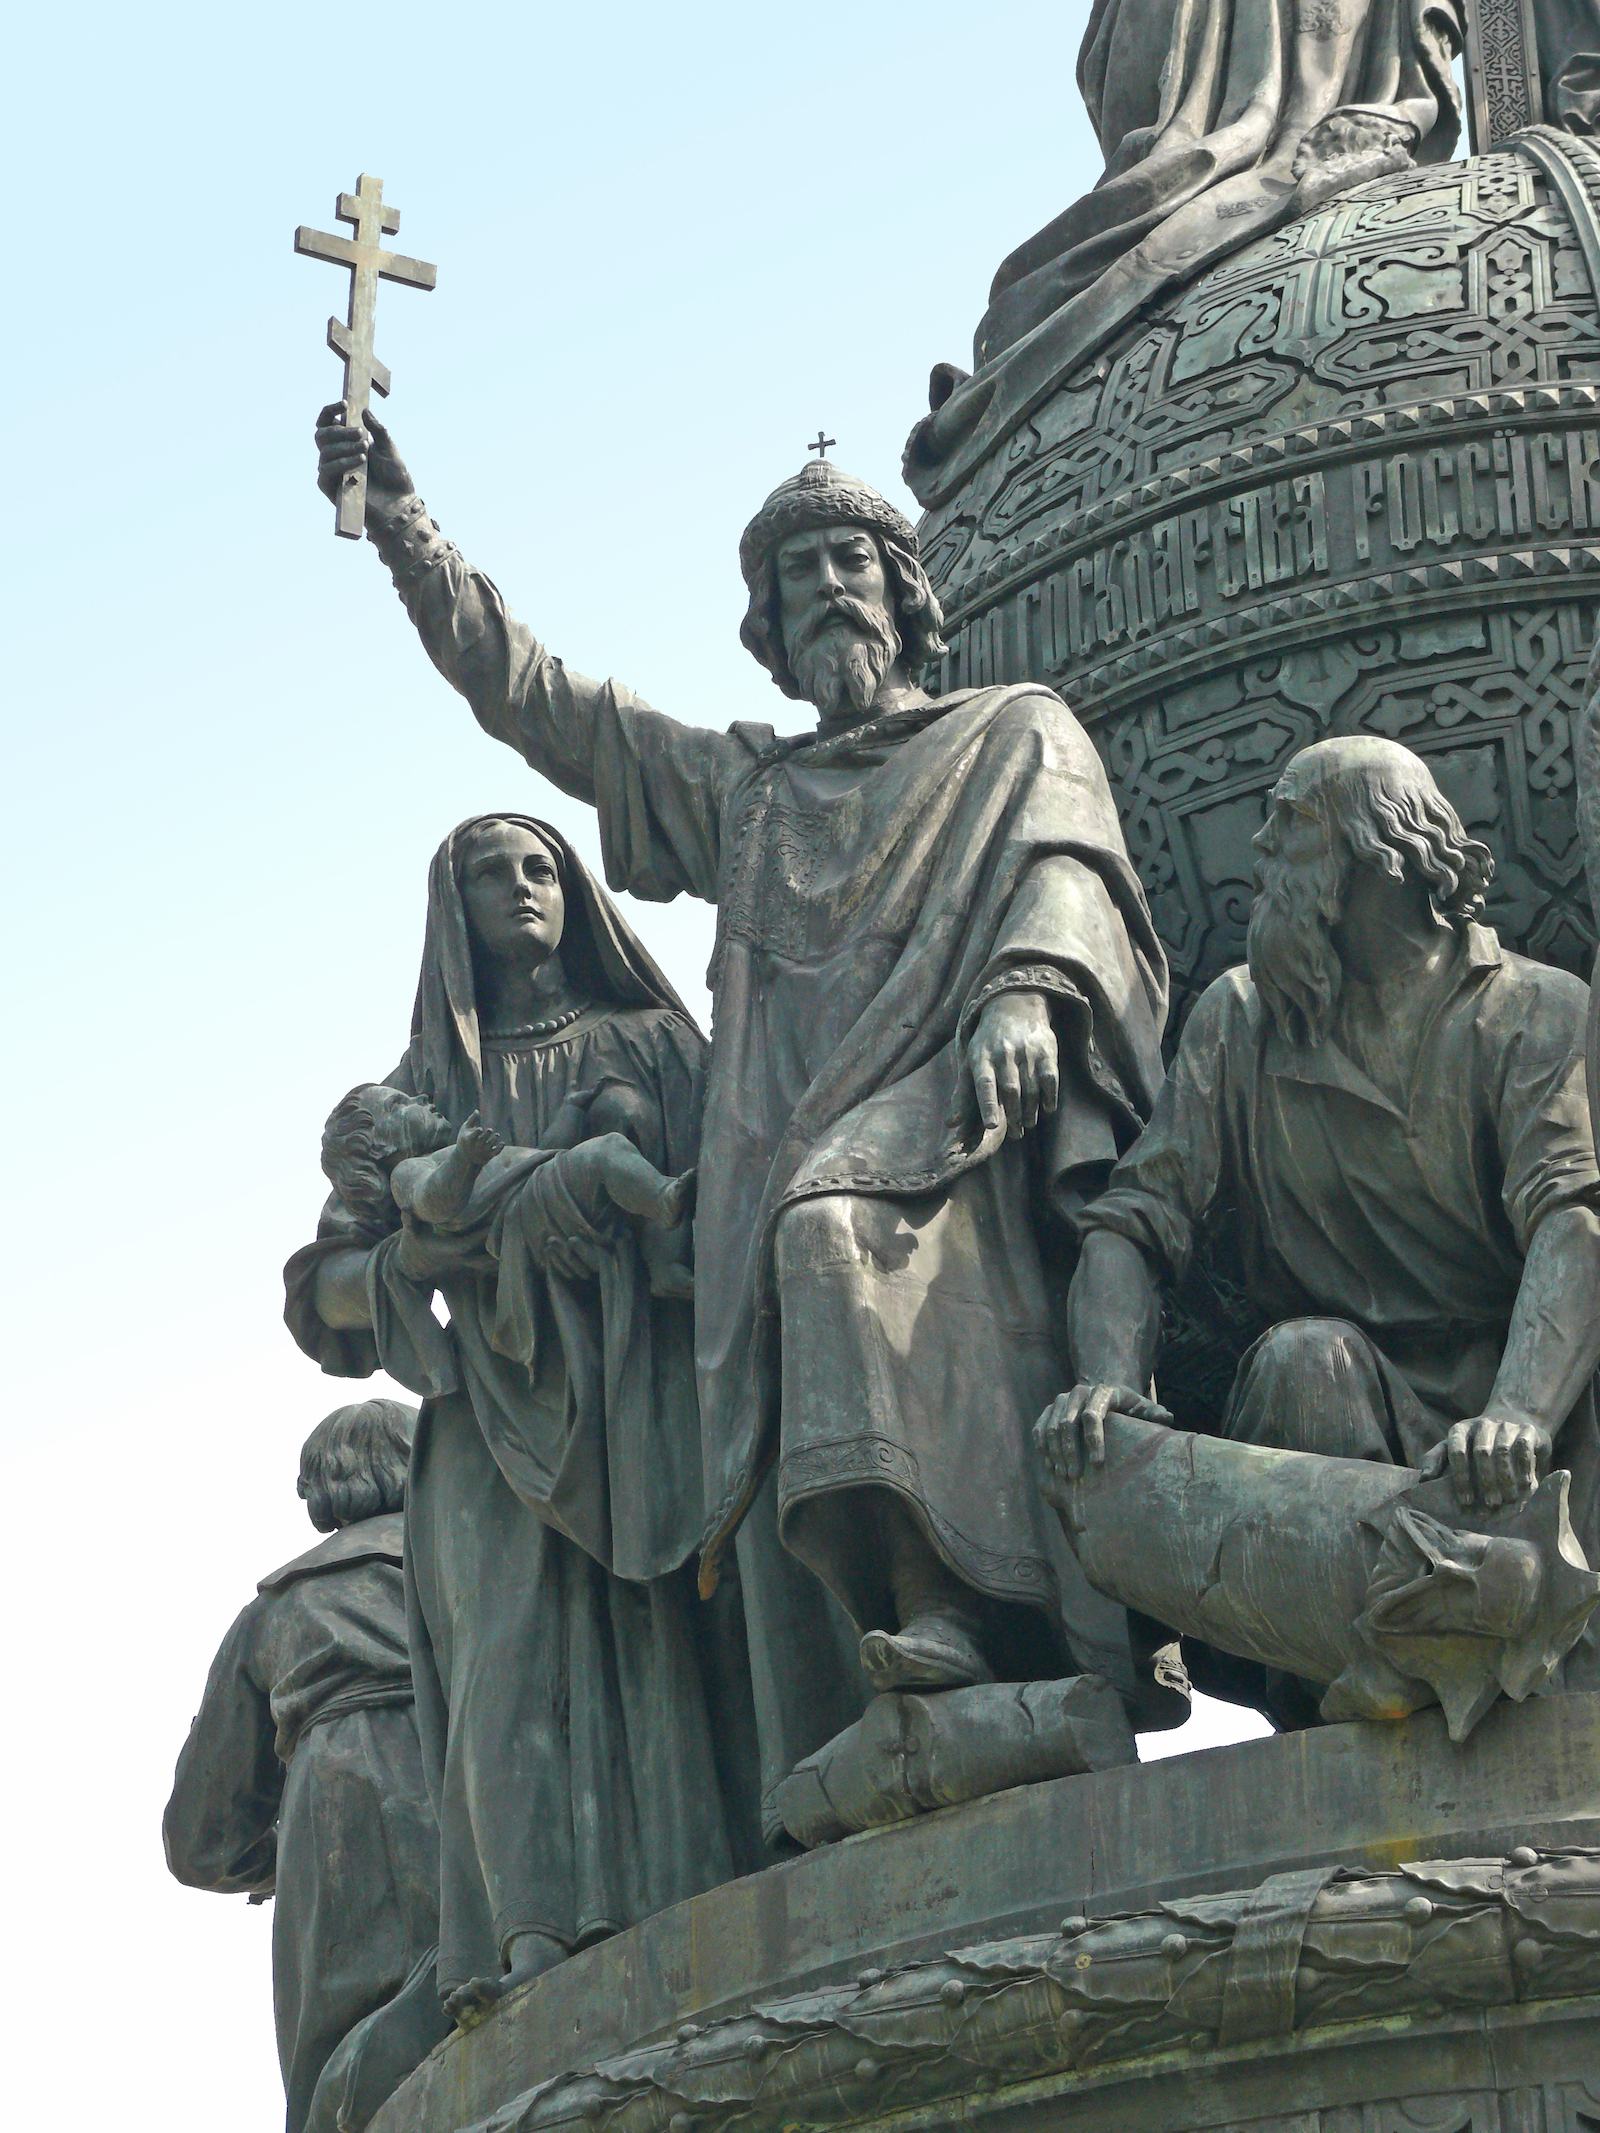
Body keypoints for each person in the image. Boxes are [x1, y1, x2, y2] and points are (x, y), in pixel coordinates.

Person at [310, 412, 1184, 1829]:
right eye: (798, 577)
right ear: (768, 629)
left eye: (853, 560)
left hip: (964, 1135)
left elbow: (1070, 878)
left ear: (905, 593)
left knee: (828, 1234)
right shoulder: (750, 792)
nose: (831, 588)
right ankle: (867, 1702)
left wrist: (1027, 995)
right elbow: (543, 702)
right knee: (795, 1246)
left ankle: (944, 1607)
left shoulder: (1012, 734)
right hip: (795, 1157)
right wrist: (410, 532)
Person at [285, 814, 763, 2023]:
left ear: (578, 895)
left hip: (644, 1396)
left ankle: (687, 1904)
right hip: (483, 1424)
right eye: (491, 872)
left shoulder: (659, 1042)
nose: (520, 887)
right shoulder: (413, 1101)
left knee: (655, 1639)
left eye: (541, 867)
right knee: (504, 1662)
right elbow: (320, 1292)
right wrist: (414, 1262)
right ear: (453, 909)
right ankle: (524, 1937)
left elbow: (732, 1201)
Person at [1039, 736, 1600, 1719]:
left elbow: (1571, 1218)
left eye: (1290, 826)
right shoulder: (1238, 1020)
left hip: (1511, 1408)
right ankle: (1339, 1714)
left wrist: (1518, 1410)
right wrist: (1107, 1387)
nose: (1258, 846)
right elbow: (1133, 1218)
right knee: (1306, 1363)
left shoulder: (1535, 1012)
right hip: (1336, 1429)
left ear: (1380, 853)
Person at [164, 1401, 444, 2133]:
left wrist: (286, 1852)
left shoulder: (272, 1612)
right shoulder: (486, 1555)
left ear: (318, 1487)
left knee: (349, 2086)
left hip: (333, 1840)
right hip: (479, 1798)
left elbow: (200, 1838)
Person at [318, 1081, 695, 1295]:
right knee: (610, 1152)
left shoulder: (445, 1155)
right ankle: (663, 1197)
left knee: (621, 1174)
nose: (420, 1097)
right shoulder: (409, 1171)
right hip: (530, 1209)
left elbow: (547, 1154)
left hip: (542, 1185)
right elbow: (434, 1203)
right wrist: (465, 1160)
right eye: (400, 1104)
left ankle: (664, 1265)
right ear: (379, 1145)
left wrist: (571, 1110)